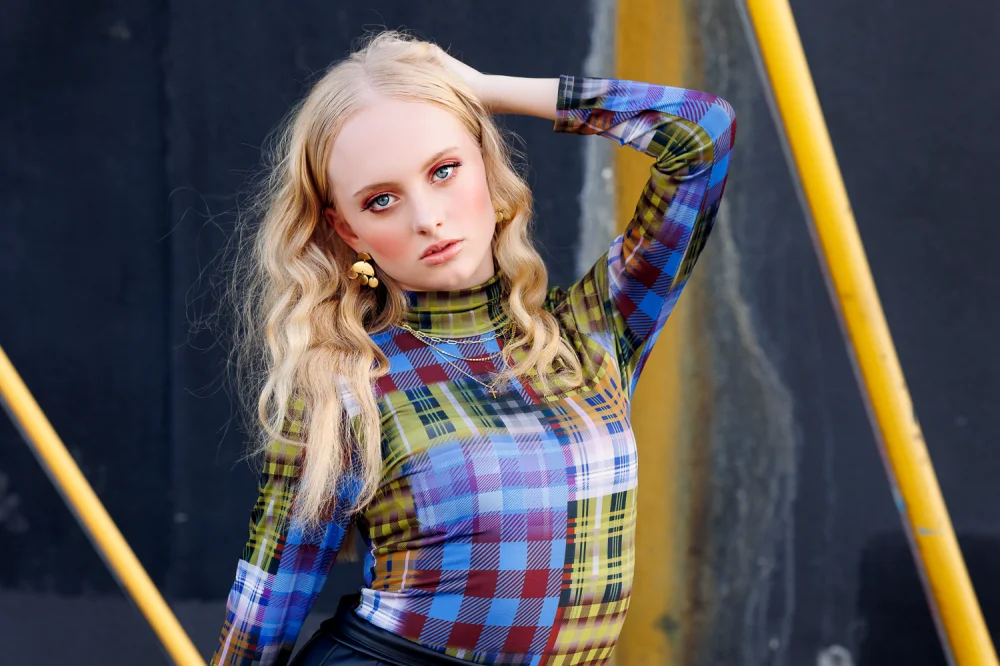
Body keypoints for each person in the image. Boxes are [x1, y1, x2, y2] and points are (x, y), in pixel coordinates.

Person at [212, 29, 735, 666]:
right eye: (381, 200)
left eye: (444, 170)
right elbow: (268, 598)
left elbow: (702, 135)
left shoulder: (592, 334)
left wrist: (487, 91)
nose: (427, 217)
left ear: (485, 162)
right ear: (348, 230)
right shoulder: (346, 383)